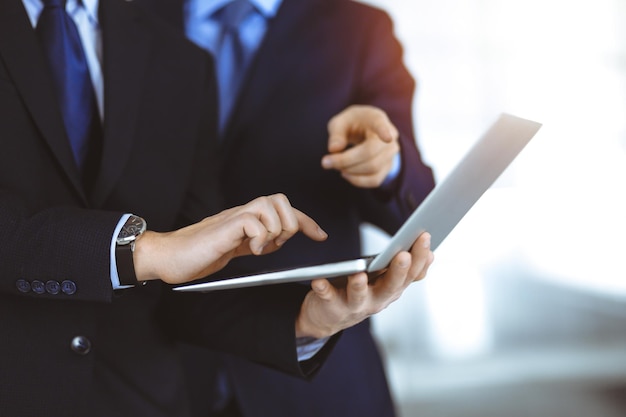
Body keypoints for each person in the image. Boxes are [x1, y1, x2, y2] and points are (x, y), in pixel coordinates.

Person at [0, 1, 435, 417]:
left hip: (289, 378)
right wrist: (150, 249)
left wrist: (303, 321)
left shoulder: (353, 28)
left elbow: (415, 209)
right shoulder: (149, 16)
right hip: (163, 375)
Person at [148, 0, 437, 416]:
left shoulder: (357, 27)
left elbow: (413, 209)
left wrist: (386, 165)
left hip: (317, 370)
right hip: (158, 367)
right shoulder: (125, 14)